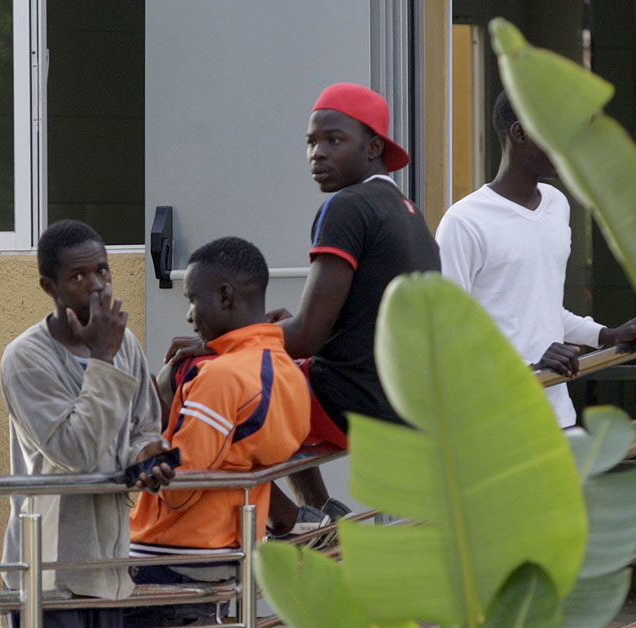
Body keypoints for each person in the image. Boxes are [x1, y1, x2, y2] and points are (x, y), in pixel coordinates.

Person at [166, 82, 441, 539]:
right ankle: (320, 512)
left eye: (334, 140)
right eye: (311, 142)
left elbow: (308, 336)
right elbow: (350, 323)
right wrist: (268, 330)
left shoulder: (345, 207)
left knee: (194, 375)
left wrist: (219, 343)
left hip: (351, 404)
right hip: (402, 406)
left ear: (374, 147)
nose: (318, 154)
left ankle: (289, 521)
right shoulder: (408, 212)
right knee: (275, 367)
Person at [0, 219, 176, 628]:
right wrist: (102, 359)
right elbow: (75, 452)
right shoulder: (26, 358)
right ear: (50, 287)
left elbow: (142, 428)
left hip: (108, 569)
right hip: (49, 574)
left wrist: (147, 456)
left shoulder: (124, 344)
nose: (96, 286)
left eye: (102, 270)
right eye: (78, 276)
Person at [128, 236, 311, 628]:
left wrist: (141, 442)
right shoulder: (285, 369)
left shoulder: (221, 377)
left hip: (167, 560)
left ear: (225, 296)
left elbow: (179, 485)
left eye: (194, 300)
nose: (189, 316)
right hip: (220, 561)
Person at [435, 91, 636, 429]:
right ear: (520, 132)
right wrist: (528, 369)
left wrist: (607, 335)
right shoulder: (464, 221)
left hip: (557, 415)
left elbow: (543, 310)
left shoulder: (556, 206)